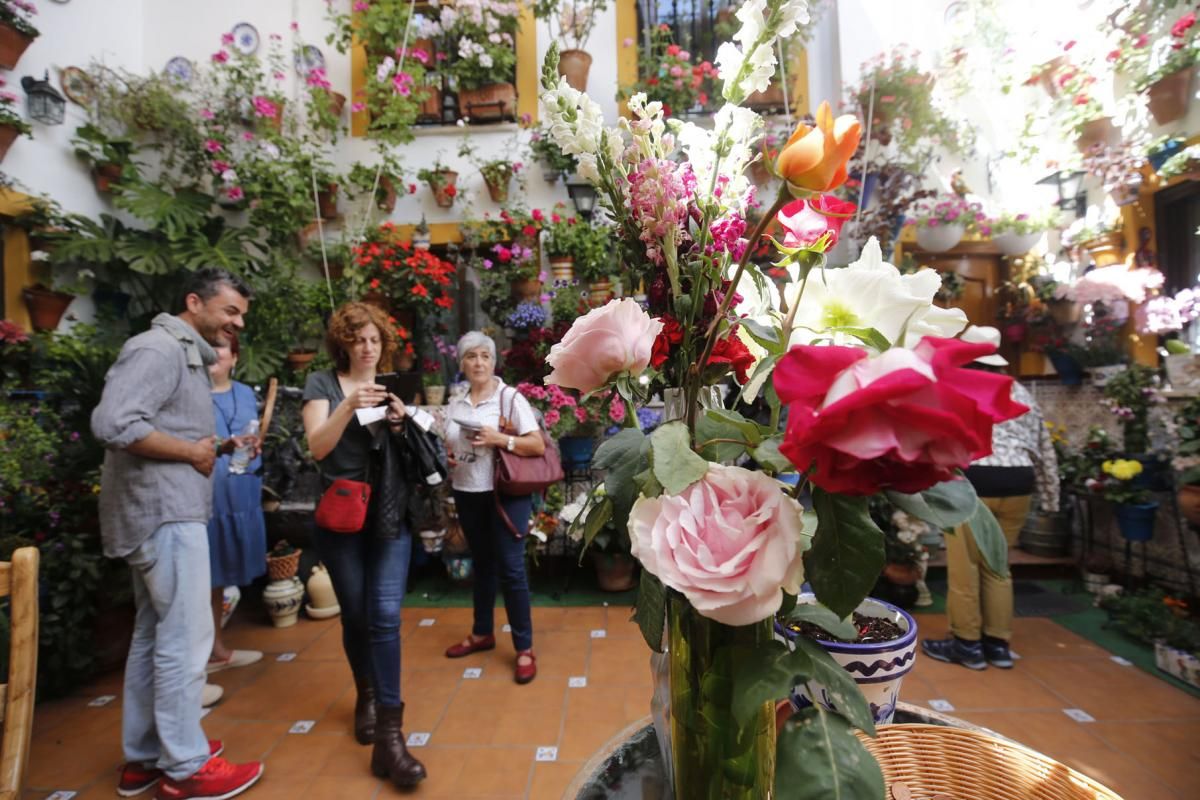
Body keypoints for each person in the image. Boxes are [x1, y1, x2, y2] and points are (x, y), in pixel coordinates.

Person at [91, 268, 264, 800]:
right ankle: (186, 765)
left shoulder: (186, 352)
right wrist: (191, 452)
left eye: (241, 316)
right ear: (194, 301)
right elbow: (113, 423)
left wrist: (215, 445)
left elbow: (164, 428)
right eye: (230, 311)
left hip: (165, 511)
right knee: (186, 641)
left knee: (153, 637)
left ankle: (146, 756)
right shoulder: (159, 349)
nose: (237, 324)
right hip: (163, 515)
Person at [301, 301, 426, 788]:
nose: (368, 348)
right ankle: (366, 694)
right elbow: (317, 447)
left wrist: (400, 420)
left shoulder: (393, 386)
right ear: (344, 344)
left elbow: (411, 454)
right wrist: (349, 406)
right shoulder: (323, 385)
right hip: (341, 519)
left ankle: (390, 739)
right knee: (355, 615)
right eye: (358, 340)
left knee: (384, 616)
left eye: (375, 339)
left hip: (389, 516)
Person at [922, 375, 1059, 670]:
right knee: (998, 565)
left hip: (977, 479)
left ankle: (967, 644)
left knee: (965, 566)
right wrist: (1051, 499)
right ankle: (997, 645)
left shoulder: (961, 384)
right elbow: (1044, 446)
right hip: (1019, 480)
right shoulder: (1021, 390)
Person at [442, 331, 544, 684]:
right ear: (463, 363)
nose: (479, 363)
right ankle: (482, 632)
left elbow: (536, 445)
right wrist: (450, 454)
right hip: (468, 491)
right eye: (471, 356)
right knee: (482, 565)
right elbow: (450, 444)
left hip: (505, 493)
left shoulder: (510, 398)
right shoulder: (456, 402)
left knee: (512, 569)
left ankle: (524, 647)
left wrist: (500, 438)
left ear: (493, 361)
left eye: (485, 355)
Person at [206, 334, 266, 673]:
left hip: (240, 489)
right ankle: (200, 657)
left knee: (220, 576)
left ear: (235, 356)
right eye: (208, 350)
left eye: (221, 349)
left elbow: (252, 433)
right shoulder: (191, 395)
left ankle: (216, 648)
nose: (214, 356)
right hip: (207, 493)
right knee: (204, 575)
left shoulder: (245, 393)